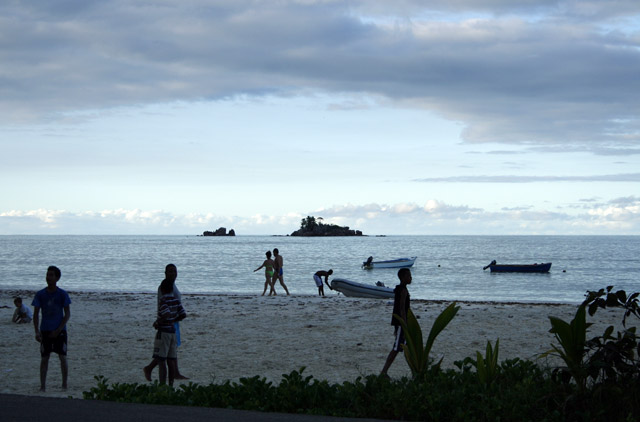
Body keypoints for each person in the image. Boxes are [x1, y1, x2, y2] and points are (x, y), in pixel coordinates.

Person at [144, 264, 188, 381]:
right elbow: (163, 306)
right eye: (170, 272)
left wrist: (175, 318)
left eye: (174, 271)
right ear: (165, 273)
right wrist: (160, 321)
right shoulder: (163, 287)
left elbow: (179, 310)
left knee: (172, 348)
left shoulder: (172, 285)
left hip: (173, 320)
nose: (173, 273)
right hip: (166, 322)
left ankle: (175, 373)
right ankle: (151, 368)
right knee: (165, 352)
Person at [31, 266, 71, 391]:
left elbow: (67, 314)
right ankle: (42, 386)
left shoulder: (62, 294)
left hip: (60, 331)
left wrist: (59, 329)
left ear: (57, 278)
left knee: (63, 357)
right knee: (44, 358)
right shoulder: (40, 294)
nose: (49, 277)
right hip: (45, 330)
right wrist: (37, 331)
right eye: (47, 275)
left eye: (52, 275)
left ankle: (64, 384)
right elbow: (36, 314)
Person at [380, 267, 412, 377]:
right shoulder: (402, 290)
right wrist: (404, 323)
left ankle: (414, 370)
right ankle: (384, 371)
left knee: (408, 348)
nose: (410, 278)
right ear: (402, 278)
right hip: (401, 323)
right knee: (396, 348)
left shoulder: (400, 289)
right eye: (408, 276)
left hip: (399, 322)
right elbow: (402, 308)